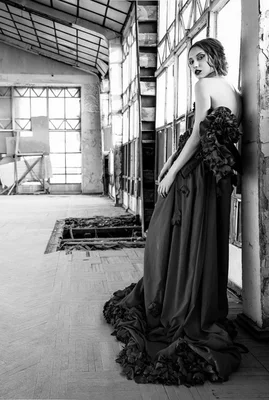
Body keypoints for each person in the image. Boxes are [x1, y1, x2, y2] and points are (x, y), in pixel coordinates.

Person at [103, 38, 244, 386]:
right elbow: (208, 134)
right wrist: (169, 161)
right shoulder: (233, 90)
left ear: (214, 57)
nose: (194, 65)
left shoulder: (204, 85)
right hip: (217, 178)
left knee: (165, 234)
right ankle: (199, 302)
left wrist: (169, 173)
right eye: (191, 61)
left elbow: (198, 133)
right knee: (202, 240)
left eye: (200, 58)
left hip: (195, 175)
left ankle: (174, 301)